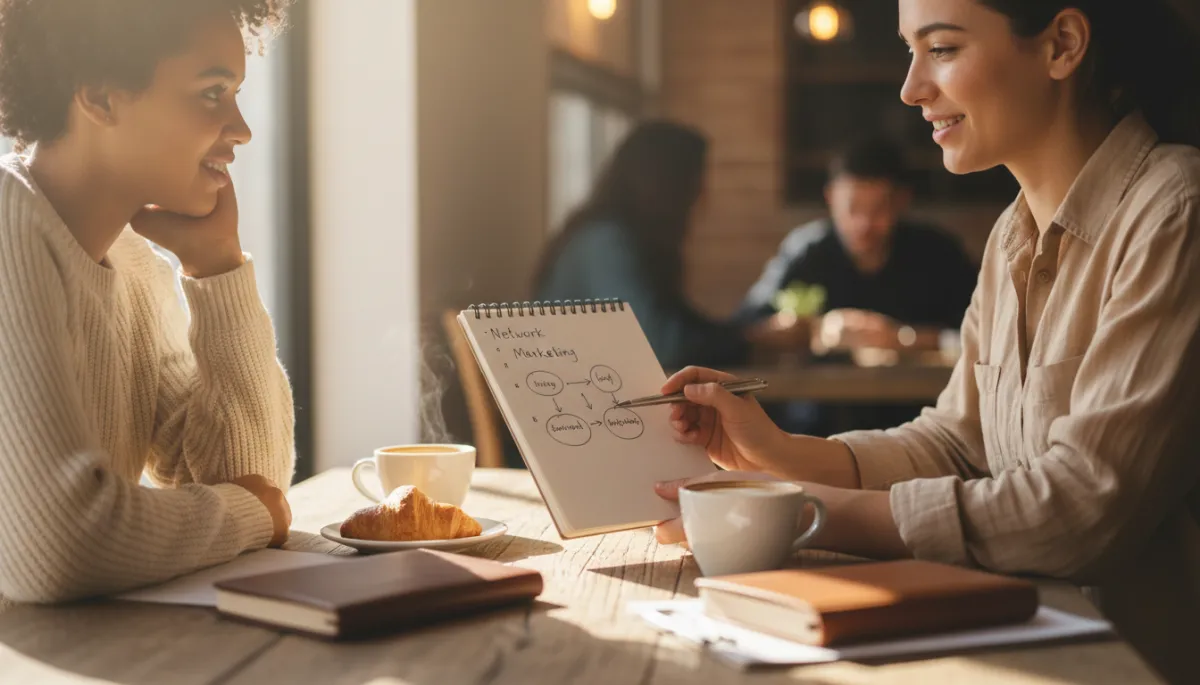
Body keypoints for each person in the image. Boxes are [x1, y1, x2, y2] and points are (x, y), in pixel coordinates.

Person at [652, 1, 1200, 683]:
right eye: (910, 51)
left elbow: (1080, 506)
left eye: (940, 49)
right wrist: (783, 453)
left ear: (1062, 44)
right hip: (1012, 646)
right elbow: (956, 442)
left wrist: (797, 506)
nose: (911, 88)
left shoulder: (1175, 210)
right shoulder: (1010, 235)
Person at [0, 0, 295, 603]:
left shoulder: (134, 268)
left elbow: (251, 478)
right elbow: (59, 546)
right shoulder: (9, 229)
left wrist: (217, 270)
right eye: (212, 93)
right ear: (101, 96)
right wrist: (246, 514)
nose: (241, 129)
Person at [735, 137, 978, 435]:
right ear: (830, 198)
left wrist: (899, 339)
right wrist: (809, 330)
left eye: (878, 210)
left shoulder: (937, 253)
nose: (864, 224)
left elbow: (976, 333)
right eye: (852, 209)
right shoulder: (807, 252)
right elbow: (749, 323)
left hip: (918, 416)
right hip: (817, 418)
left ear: (902, 200)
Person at [532, 120, 806, 372]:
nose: (702, 193)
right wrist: (753, 337)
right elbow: (659, 345)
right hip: (576, 407)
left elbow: (682, 324)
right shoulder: (605, 243)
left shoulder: (625, 239)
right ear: (667, 184)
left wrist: (753, 334)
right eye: (696, 180)